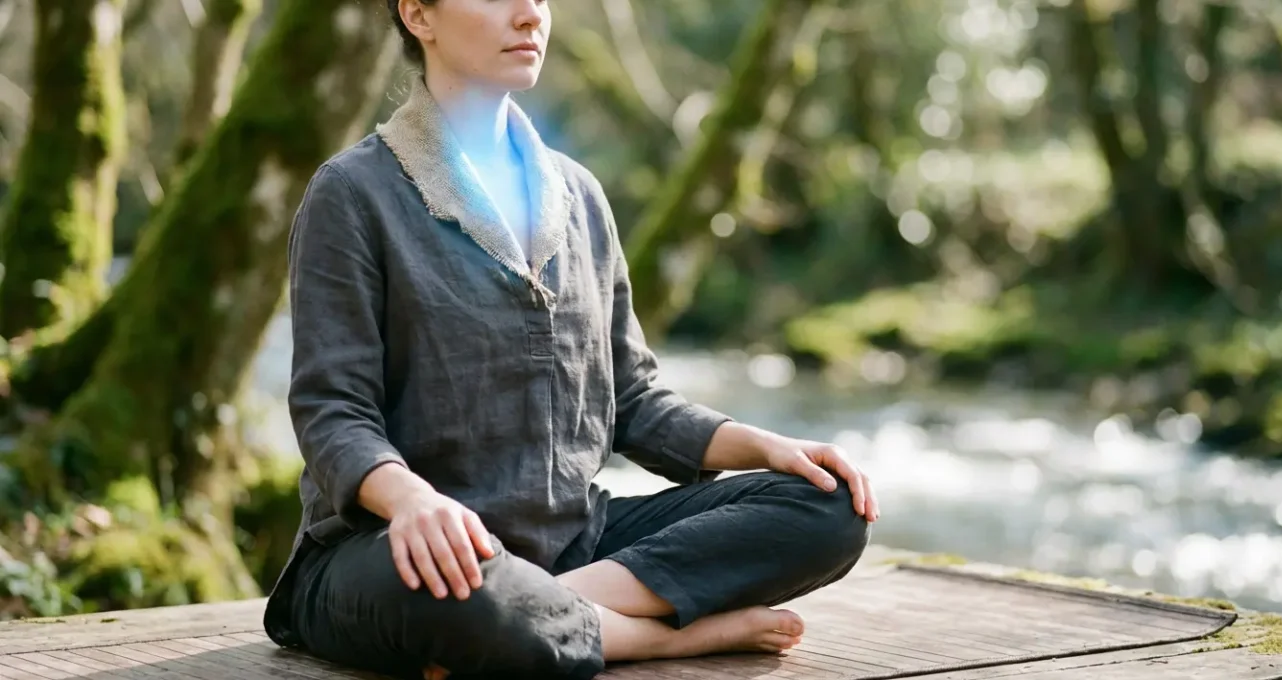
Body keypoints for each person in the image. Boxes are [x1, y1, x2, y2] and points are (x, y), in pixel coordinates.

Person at [261, 1, 878, 678]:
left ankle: (539, 622)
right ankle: (661, 636)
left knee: (828, 505)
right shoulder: (352, 193)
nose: (530, 14)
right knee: (449, 588)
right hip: (395, 552)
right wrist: (414, 502)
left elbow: (634, 401)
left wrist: (767, 447)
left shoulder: (579, 196)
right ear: (417, 14)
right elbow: (333, 412)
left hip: (572, 543)